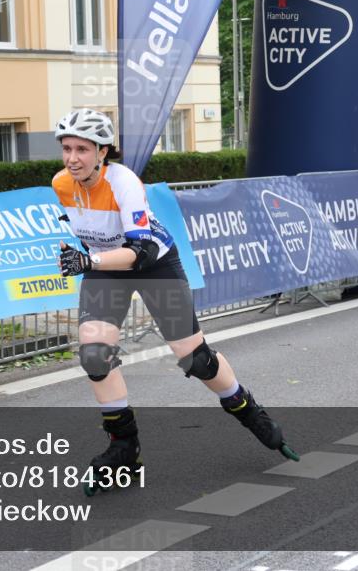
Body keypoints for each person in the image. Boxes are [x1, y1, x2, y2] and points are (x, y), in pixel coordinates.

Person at [51, 108, 297, 491]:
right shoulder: (62, 183)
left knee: (194, 359)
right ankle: (123, 447)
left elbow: (140, 251)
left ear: (103, 152)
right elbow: (93, 232)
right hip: (105, 265)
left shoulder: (124, 182)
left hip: (152, 262)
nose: (71, 158)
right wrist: (86, 257)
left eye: (82, 149)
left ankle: (246, 408)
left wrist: (89, 259)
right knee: (94, 354)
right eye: (66, 148)